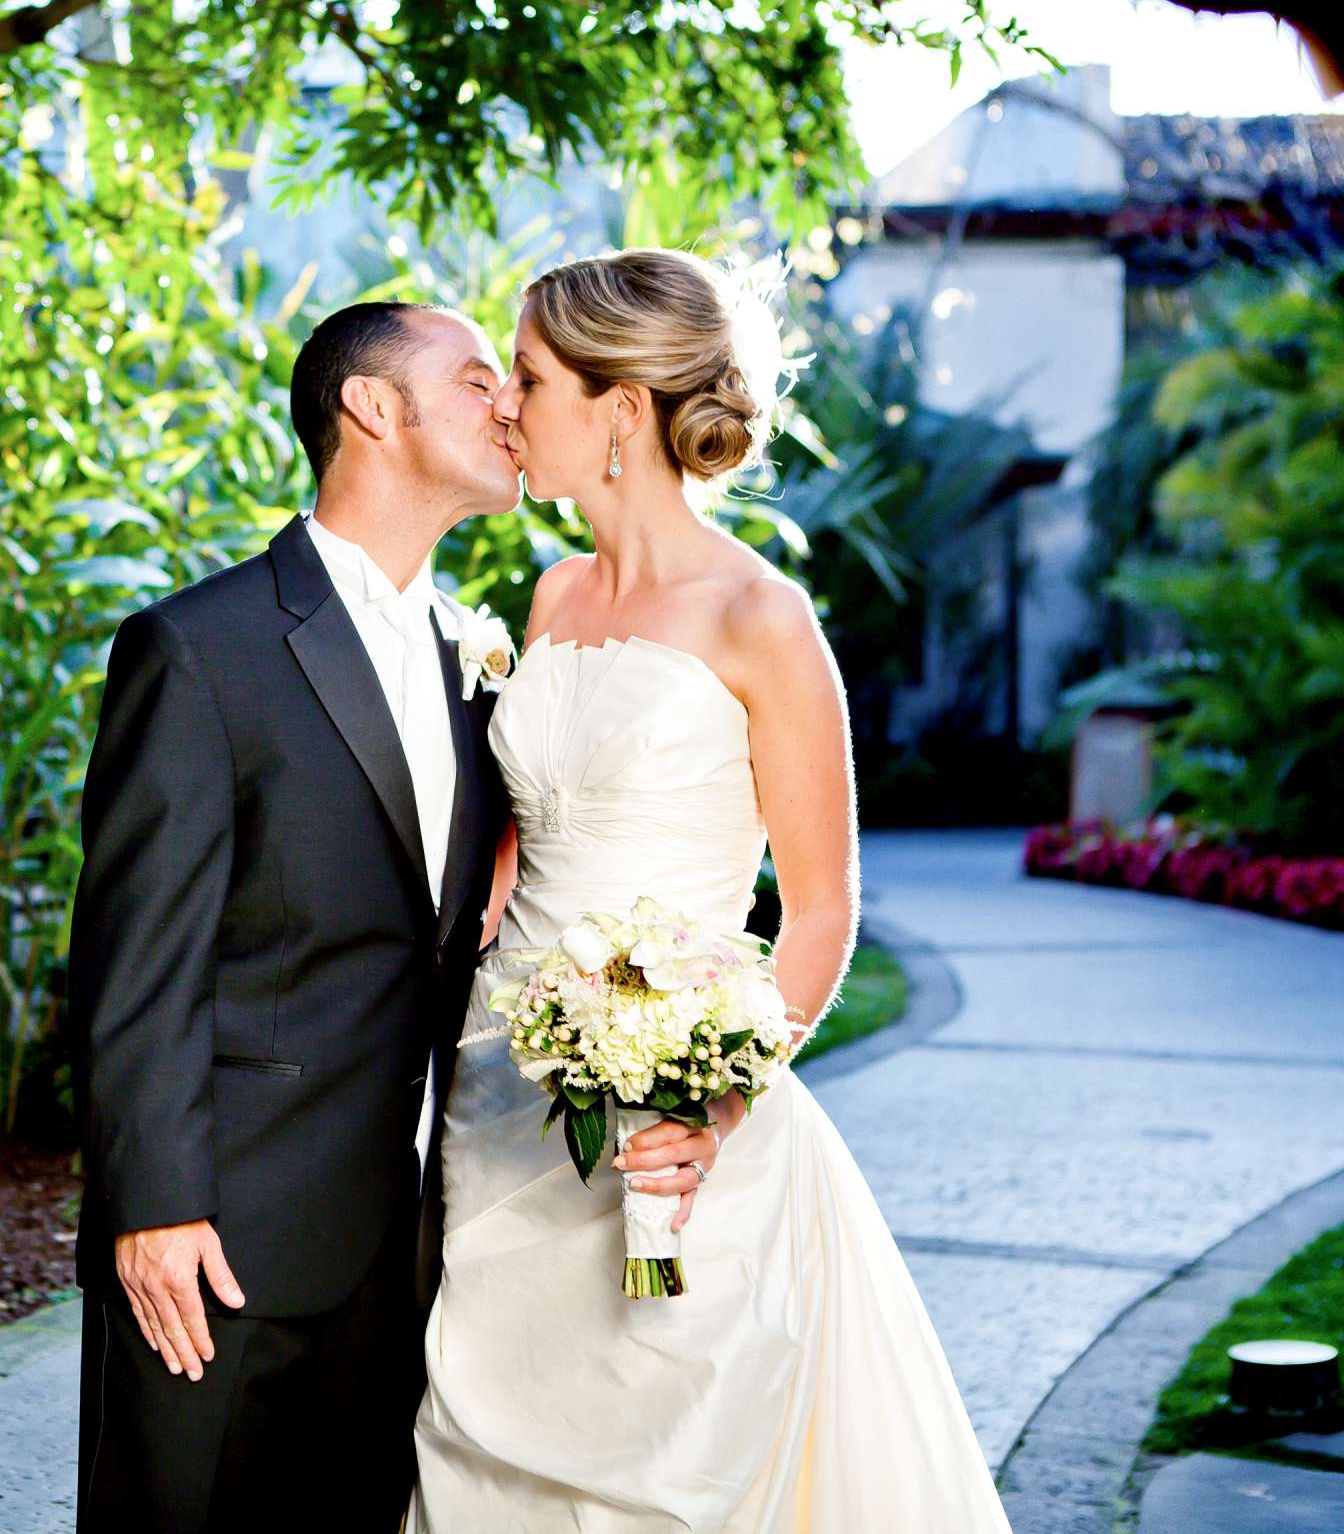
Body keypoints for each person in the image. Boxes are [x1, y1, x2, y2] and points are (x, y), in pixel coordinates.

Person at [409, 248, 1010, 1531]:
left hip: (679, 1119)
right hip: (501, 1087)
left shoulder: (760, 614)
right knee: (482, 1427)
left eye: (527, 377)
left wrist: (717, 1097)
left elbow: (823, 906)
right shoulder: (554, 593)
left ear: (621, 410)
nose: (506, 405)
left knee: (675, 1453)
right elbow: (517, 843)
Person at [68, 301, 520, 1532]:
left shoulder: (472, 658)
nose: (511, 406)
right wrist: (153, 1205)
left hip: (412, 1233)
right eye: (478, 381)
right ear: (373, 407)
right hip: (219, 1235)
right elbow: (135, 957)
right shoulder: (199, 647)